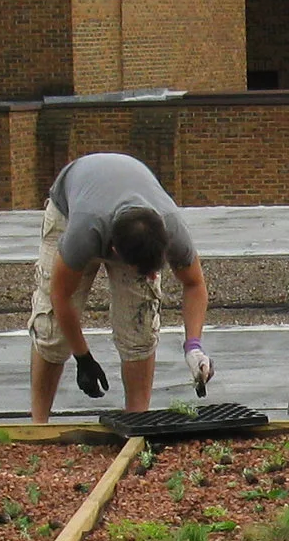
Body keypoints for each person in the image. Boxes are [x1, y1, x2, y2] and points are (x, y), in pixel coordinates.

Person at [28, 153, 215, 422]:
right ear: (114, 252)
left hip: (125, 209)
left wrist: (193, 347)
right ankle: (38, 425)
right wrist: (83, 357)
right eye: (145, 271)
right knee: (52, 332)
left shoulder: (171, 227)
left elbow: (194, 284)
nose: (152, 276)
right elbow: (61, 295)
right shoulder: (83, 234)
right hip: (71, 207)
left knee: (139, 329)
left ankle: (137, 421)